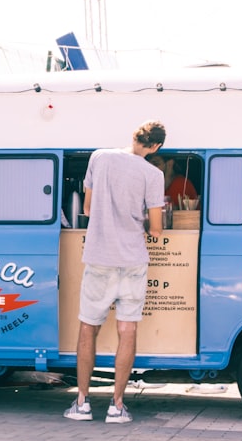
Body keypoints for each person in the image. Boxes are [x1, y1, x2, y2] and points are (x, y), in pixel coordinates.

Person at [64, 120, 167, 423]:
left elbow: (87, 208)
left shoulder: (99, 157)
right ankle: (117, 406)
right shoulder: (154, 174)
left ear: (134, 136)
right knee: (128, 329)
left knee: (88, 327)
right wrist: (144, 223)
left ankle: (82, 404)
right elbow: (157, 227)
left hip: (99, 257)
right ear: (156, 147)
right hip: (133, 259)